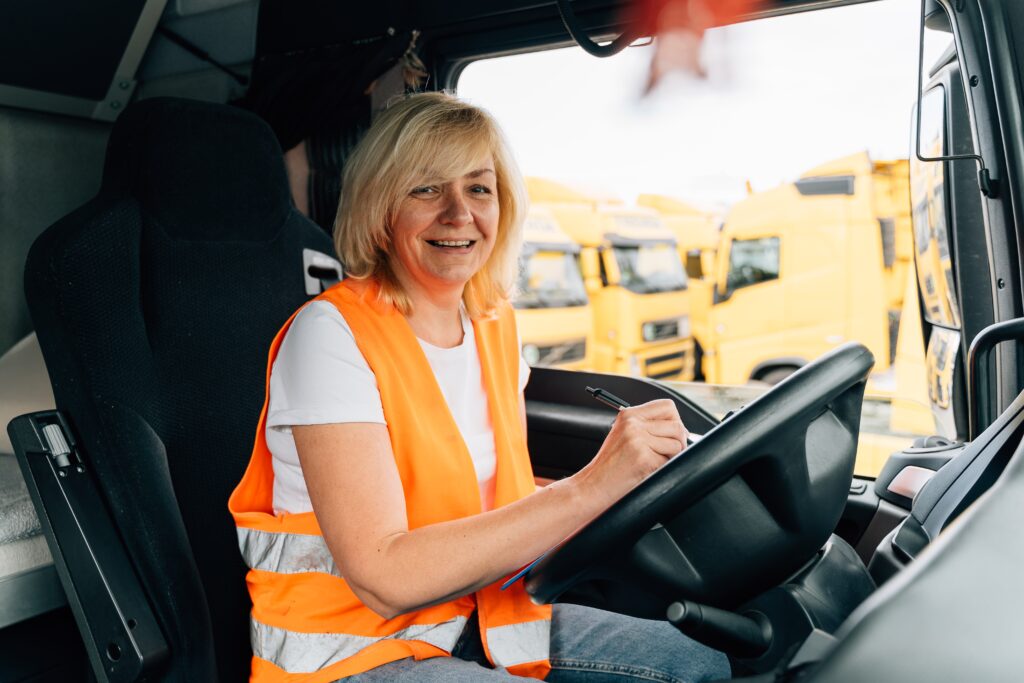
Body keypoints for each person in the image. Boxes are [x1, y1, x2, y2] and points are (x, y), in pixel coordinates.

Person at [229, 92, 729, 683]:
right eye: (426, 188)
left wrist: (628, 485)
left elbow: (488, 492)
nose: (458, 213)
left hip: (482, 614)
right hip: (353, 653)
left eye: (479, 188)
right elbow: (385, 578)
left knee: (696, 663)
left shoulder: (492, 323)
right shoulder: (330, 337)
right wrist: (591, 487)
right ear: (380, 206)